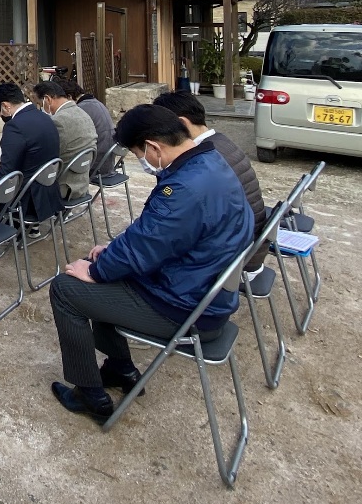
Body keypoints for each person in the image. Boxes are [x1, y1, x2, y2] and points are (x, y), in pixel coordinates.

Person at [48, 104, 254, 422]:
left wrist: (97, 270)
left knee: (67, 287)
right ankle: (121, 369)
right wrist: (111, 253)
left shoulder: (184, 188)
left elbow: (145, 246)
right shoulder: (210, 162)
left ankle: (89, 394)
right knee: (103, 271)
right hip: (202, 290)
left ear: (153, 147)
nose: (141, 162)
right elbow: (155, 237)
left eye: (137, 154)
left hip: (185, 308)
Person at [152, 90, 266, 239]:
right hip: (248, 235)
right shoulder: (220, 141)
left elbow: (175, 216)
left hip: (237, 245)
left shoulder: (204, 160)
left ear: (182, 124)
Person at [0, 83, 62, 224]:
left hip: (26, 198)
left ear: (5, 106)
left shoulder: (14, 126)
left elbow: (5, 173)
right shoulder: (44, 117)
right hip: (47, 190)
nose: (0, 117)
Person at [30, 80, 98, 202]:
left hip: (65, 187)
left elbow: (45, 157)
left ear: (47, 99)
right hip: (81, 182)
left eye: (40, 104)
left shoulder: (58, 121)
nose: (40, 108)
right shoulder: (82, 113)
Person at [62, 78, 115, 181]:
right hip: (107, 161)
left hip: (95, 166)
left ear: (69, 97)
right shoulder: (96, 102)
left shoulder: (81, 108)